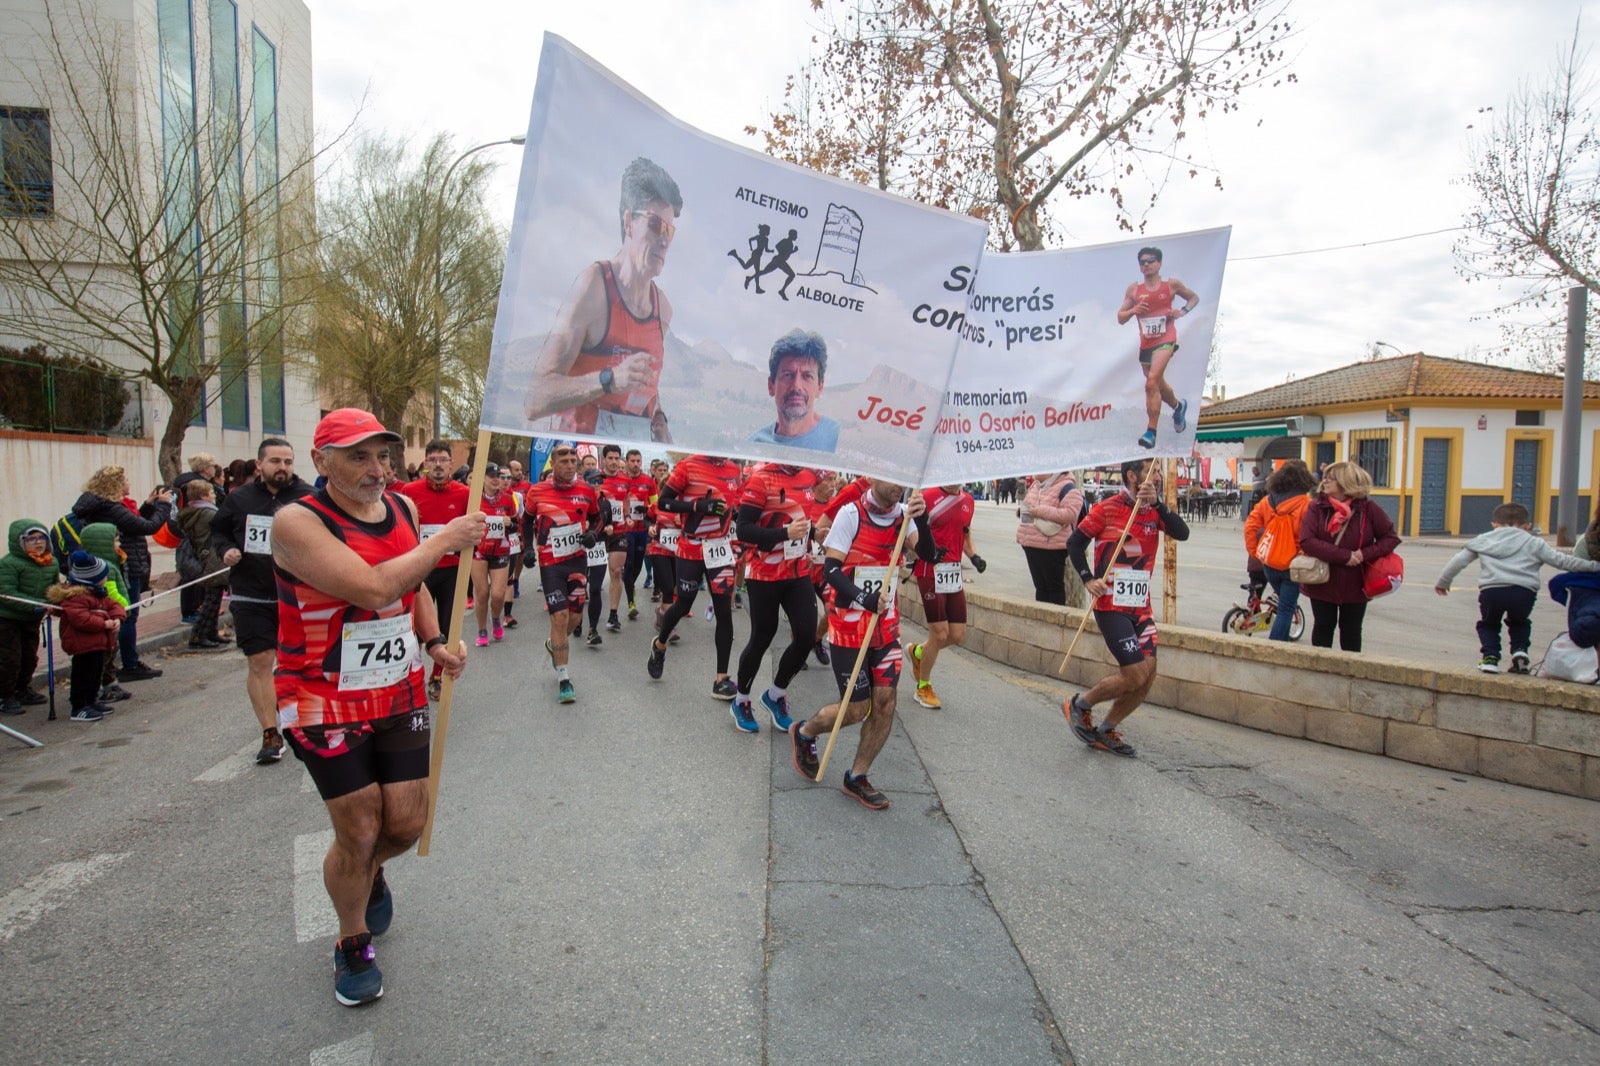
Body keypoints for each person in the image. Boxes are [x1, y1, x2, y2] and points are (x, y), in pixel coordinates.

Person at [270, 408, 482, 1006]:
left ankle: (367, 870)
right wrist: (445, 540)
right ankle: (351, 937)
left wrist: (436, 642)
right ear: (322, 462)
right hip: (321, 695)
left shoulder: (404, 511)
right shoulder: (297, 522)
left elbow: (412, 589)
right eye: (358, 456)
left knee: (408, 823)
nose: (377, 469)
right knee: (361, 826)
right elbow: (372, 585)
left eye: (383, 455)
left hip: (398, 686)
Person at [788, 480, 934, 810]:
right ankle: (806, 731)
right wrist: (863, 598)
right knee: (856, 709)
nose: (900, 487)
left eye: (904, 482)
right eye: (894, 480)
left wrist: (921, 519)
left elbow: (927, 554)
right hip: (849, 623)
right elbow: (831, 571)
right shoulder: (851, 514)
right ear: (874, 477)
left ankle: (857, 776)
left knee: (884, 702)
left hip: (885, 624)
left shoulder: (903, 516)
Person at [522, 157, 681, 443]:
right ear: (629, 222)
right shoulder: (593, 287)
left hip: (624, 464)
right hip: (577, 463)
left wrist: (660, 420)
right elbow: (535, 399)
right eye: (656, 225)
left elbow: (646, 388)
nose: (664, 240)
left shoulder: (663, 310)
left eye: (670, 230)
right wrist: (608, 379)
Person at [1064, 460, 1190, 758]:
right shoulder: (1107, 507)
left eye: (1158, 472)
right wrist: (1087, 579)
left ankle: (1107, 728)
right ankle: (1080, 705)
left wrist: (1158, 504)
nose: (1158, 477)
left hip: (1140, 607)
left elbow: (1182, 533)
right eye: (1152, 471)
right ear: (1132, 476)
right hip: (1111, 605)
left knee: (1148, 674)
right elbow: (1074, 543)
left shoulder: (1154, 512)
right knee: (1134, 674)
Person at [211, 436, 314, 762]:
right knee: (259, 661)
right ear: (260, 465)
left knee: (300, 663)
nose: (282, 468)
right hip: (251, 593)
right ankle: (271, 732)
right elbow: (218, 532)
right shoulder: (238, 499)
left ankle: (304, 720)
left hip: (297, 593)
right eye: (275, 462)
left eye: (287, 462)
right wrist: (224, 550)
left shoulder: (307, 496)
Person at [1434, 502, 1600, 673]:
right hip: (1524, 592)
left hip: (1492, 591)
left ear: (1494, 524)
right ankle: (1520, 652)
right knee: (1520, 623)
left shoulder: (1483, 540)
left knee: (1489, 624)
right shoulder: (1535, 543)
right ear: (1528, 525)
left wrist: (1443, 582)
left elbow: (1458, 561)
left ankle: (1490, 658)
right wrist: (1595, 566)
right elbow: (1563, 561)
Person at [730, 463, 820, 733]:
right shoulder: (761, 480)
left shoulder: (808, 476)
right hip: (764, 574)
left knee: (806, 637)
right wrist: (784, 535)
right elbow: (743, 529)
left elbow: (801, 522)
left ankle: (775, 694)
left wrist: (814, 536)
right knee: (762, 638)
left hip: (797, 571)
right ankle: (741, 700)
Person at [646, 453, 743, 698]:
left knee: (724, 610)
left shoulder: (733, 469)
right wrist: (697, 507)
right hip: (691, 547)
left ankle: (721, 679)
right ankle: (660, 645)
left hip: (719, 549)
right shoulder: (688, 466)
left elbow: (736, 505)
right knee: (683, 603)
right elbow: (664, 503)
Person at [69, 465, 170, 682]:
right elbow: (147, 527)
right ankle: (129, 665)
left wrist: (148, 506)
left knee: (123, 615)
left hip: (121, 563)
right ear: (114, 484)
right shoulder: (111, 508)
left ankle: (123, 663)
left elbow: (132, 524)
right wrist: (163, 507)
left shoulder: (102, 506)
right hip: (125, 565)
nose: (129, 483)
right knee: (127, 616)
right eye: (125, 480)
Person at [520, 444, 603, 704]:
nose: (569, 464)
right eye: (563, 459)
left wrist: (593, 534)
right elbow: (526, 521)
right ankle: (564, 678)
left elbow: (599, 519)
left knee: (575, 618)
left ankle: (554, 644)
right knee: (559, 617)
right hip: (551, 563)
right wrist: (527, 548)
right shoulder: (537, 491)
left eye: (572, 460)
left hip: (577, 561)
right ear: (553, 463)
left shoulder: (587, 491)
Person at [1296, 461, 1401, 653]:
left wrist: (1363, 555)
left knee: (1351, 632)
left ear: (1346, 482)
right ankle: (1319, 673)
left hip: (1356, 583)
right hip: (1322, 580)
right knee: (1323, 628)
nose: (1325, 480)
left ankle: (1349, 676)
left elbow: (1390, 539)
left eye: (1331, 477)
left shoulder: (1368, 509)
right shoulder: (1316, 507)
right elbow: (1307, 541)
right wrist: (1345, 556)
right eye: (1325, 476)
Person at [397, 440, 473, 700]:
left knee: (448, 627)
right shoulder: (410, 491)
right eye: (433, 460)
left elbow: (473, 533)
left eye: (443, 460)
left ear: (451, 463)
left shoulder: (464, 494)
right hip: (421, 570)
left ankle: (437, 677)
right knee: (415, 626)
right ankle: (411, 674)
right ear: (425, 464)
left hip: (452, 571)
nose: (438, 465)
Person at [906, 482, 987, 709]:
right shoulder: (926, 498)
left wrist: (974, 556)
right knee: (940, 634)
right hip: (929, 571)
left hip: (953, 573)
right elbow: (910, 536)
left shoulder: (968, 501)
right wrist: (925, 552)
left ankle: (918, 652)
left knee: (957, 634)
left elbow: (965, 533)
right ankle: (923, 686)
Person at [1115, 246, 1199, 450]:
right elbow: (1120, 317)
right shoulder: (1134, 290)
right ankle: (1178, 407)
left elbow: (1193, 297)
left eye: (1150, 260)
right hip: (1147, 343)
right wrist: (1134, 310)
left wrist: (1182, 311)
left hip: (1166, 338)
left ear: (1159, 263)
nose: (1146, 265)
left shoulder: (1171, 285)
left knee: (1151, 382)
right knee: (1157, 383)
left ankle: (1151, 432)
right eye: (1142, 262)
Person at [47, 551, 126, 723]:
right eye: (104, 575)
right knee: (83, 675)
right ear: (94, 578)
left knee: (96, 673)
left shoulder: (98, 594)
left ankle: (91, 701)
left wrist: (117, 618)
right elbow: (81, 619)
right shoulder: (76, 598)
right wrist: (104, 624)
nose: (106, 578)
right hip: (82, 644)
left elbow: (114, 605)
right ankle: (79, 707)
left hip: (97, 644)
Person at [1242, 460, 1316, 642]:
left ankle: (1277, 639)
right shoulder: (1306, 504)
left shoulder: (1268, 501)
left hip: (1269, 564)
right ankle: (1274, 647)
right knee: (1286, 609)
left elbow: (1250, 526)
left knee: (1283, 603)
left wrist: (1255, 551)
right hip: (1291, 564)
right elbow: (1309, 536)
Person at [747, 329, 841, 451]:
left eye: (807, 376)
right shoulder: (754, 446)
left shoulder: (837, 439)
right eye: (787, 375)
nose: (796, 386)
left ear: (820, 387)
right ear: (771, 386)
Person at [0, 522, 57, 715]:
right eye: (31, 539)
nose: (38, 543)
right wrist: (37, 603)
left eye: (41, 538)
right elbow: (6, 592)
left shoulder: (51, 562)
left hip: (31, 619)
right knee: (9, 658)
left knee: (29, 657)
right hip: (7, 619)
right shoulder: (9, 564)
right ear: (20, 542)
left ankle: (23, 688)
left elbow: (54, 588)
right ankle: (4, 695)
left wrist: (58, 599)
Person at [174, 479, 230, 650]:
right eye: (212, 493)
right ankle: (199, 635)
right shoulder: (207, 513)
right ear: (204, 496)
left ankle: (211, 632)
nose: (214, 496)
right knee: (211, 600)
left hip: (206, 556)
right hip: (212, 557)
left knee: (214, 597)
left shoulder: (193, 511)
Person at [1015, 472, 1084, 605]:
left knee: (1054, 589)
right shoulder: (1036, 486)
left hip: (1052, 546)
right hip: (1030, 543)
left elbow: (1070, 514)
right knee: (1040, 588)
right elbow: (1030, 506)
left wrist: (1039, 511)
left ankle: (1056, 621)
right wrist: (1022, 511)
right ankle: (1042, 620)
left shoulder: (1068, 487)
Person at [472, 464, 520, 647]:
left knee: (498, 594)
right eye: (491, 475)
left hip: (501, 550)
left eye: (498, 476)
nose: (495, 479)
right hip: (479, 550)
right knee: (482, 592)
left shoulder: (508, 499)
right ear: (483, 478)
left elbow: (517, 524)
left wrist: (509, 523)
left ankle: (496, 618)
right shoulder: (474, 498)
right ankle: (482, 629)